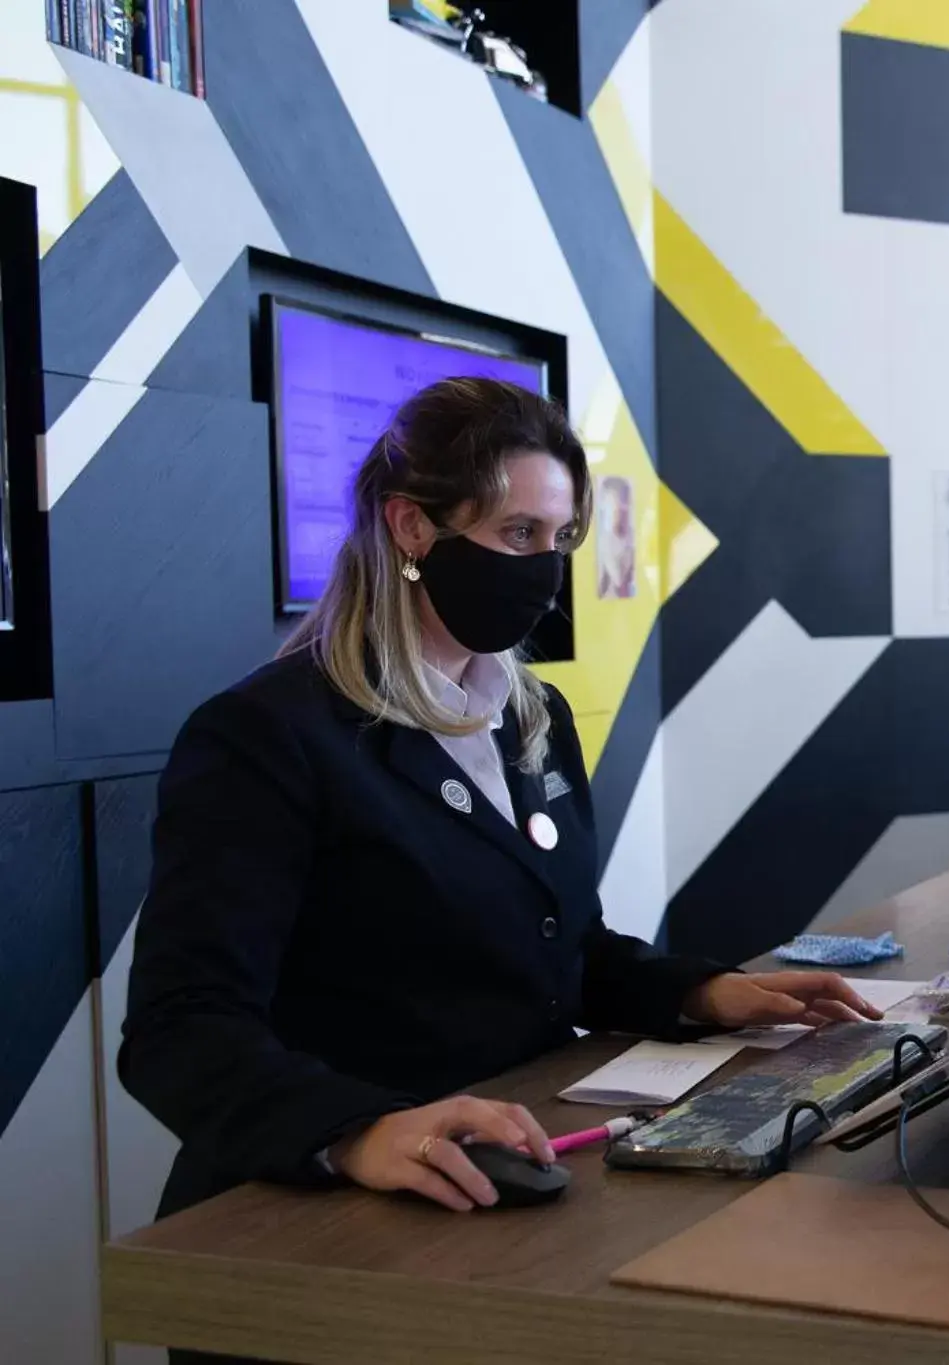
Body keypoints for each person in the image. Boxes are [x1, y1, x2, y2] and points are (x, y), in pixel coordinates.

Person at [122, 378, 878, 1247]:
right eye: (518, 534)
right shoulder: (268, 733)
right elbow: (179, 1027)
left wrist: (705, 992)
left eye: (561, 539)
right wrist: (359, 1129)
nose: (546, 569)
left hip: (501, 1171)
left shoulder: (533, 715)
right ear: (412, 526)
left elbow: (561, 948)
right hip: (316, 1210)